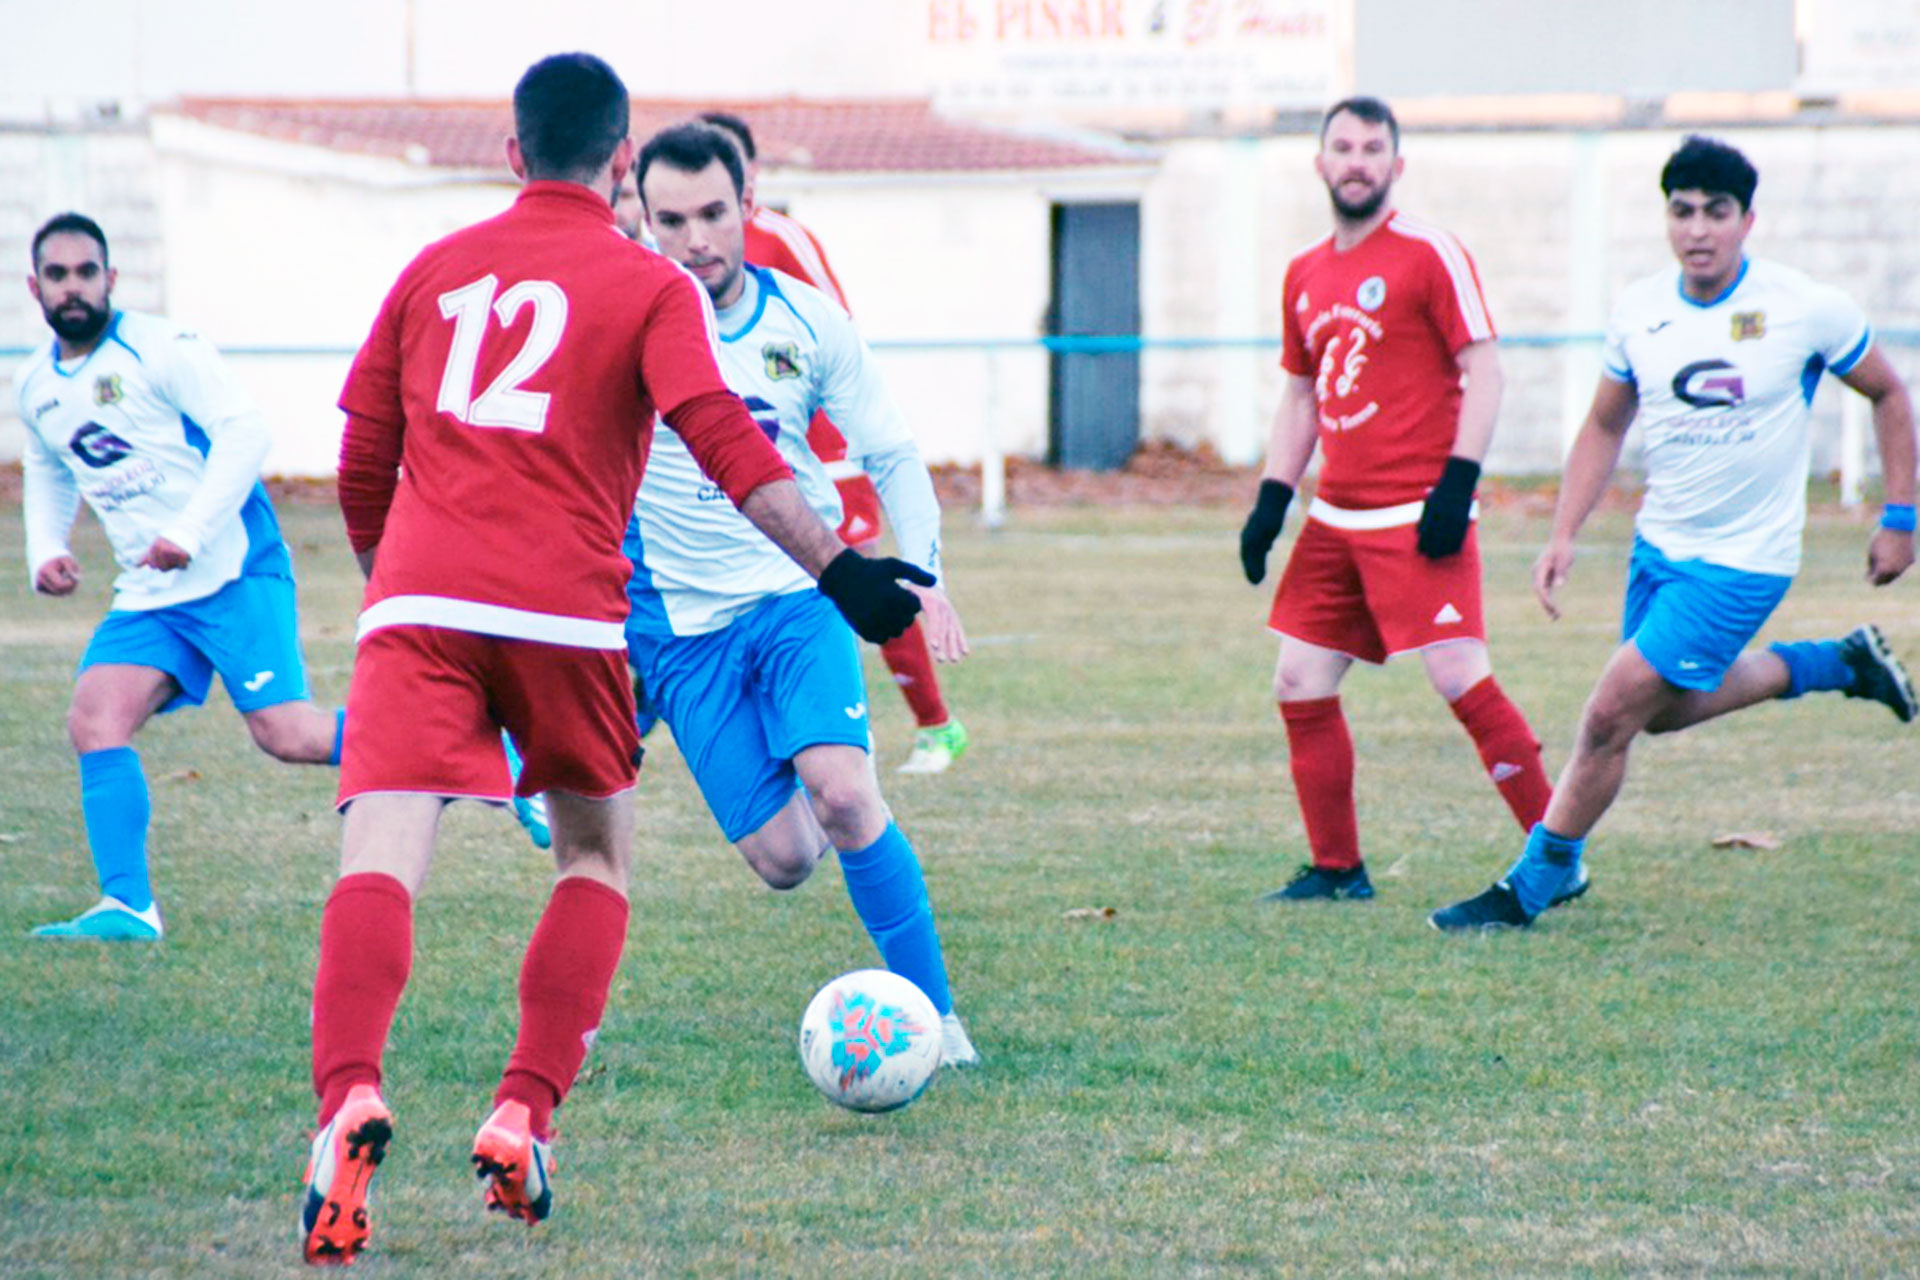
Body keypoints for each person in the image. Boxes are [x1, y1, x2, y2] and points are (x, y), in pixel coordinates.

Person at [299, 54, 931, 1266]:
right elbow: (729, 443)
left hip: (419, 603)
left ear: (512, 152)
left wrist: (392, 584)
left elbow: (362, 454)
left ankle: (348, 1098)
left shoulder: (431, 271)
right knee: (592, 857)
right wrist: (841, 566)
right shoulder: (648, 286)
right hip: (571, 617)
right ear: (624, 164)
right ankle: (525, 1113)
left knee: (380, 851)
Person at [1431, 135, 1917, 931]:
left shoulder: (1804, 308)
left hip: (1743, 563)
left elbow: (1890, 395)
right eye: (1682, 211)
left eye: (1716, 213)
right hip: (1660, 550)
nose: (1698, 229)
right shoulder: (1642, 311)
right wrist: (1562, 535)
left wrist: (1901, 518)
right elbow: (1602, 426)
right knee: (1659, 714)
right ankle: (1839, 663)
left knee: (1606, 717)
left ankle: (1537, 878)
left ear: (1747, 220)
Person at [630, 121, 981, 1069]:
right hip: (680, 628)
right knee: (785, 860)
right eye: (672, 220)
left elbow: (894, 452)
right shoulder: (619, 325)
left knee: (845, 793)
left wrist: (931, 575)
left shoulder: (806, 320)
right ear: (642, 221)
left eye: (714, 213)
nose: (696, 239)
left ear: (750, 208)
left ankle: (938, 1024)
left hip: (797, 594)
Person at [1239, 96, 1563, 905]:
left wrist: (1458, 481)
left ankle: (1557, 854)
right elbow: (1303, 396)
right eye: (1342, 147)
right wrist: (1272, 500)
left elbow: (1485, 368)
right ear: (1320, 163)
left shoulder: (1429, 253)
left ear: (1396, 164)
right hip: (1335, 518)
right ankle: (1339, 871)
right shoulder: (1305, 273)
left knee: (1459, 676)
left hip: (1418, 512)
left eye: (1372, 148)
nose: (1356, 161)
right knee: (1300, 680)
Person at [15, 212, 344, 943]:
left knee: (290, 735)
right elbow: (47, 467)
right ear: (35, 286)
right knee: (94, 718)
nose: (75, 287)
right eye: (59, 275)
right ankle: (129, 906)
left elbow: (246, 433)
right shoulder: (36, 385)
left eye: (87, 272)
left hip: (231, 568)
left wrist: (187, 531)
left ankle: (477, 751)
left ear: (111, 279)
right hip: (153, 593)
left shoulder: (162, 347)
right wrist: (44, 549)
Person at [699, 110, 970, 775]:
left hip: (822, 447)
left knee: (858, 568)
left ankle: (935, 725)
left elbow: (835, 332)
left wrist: (837, 438)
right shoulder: (675, 259)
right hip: (734, 457)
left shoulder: (784, 240)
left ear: (749, 180)